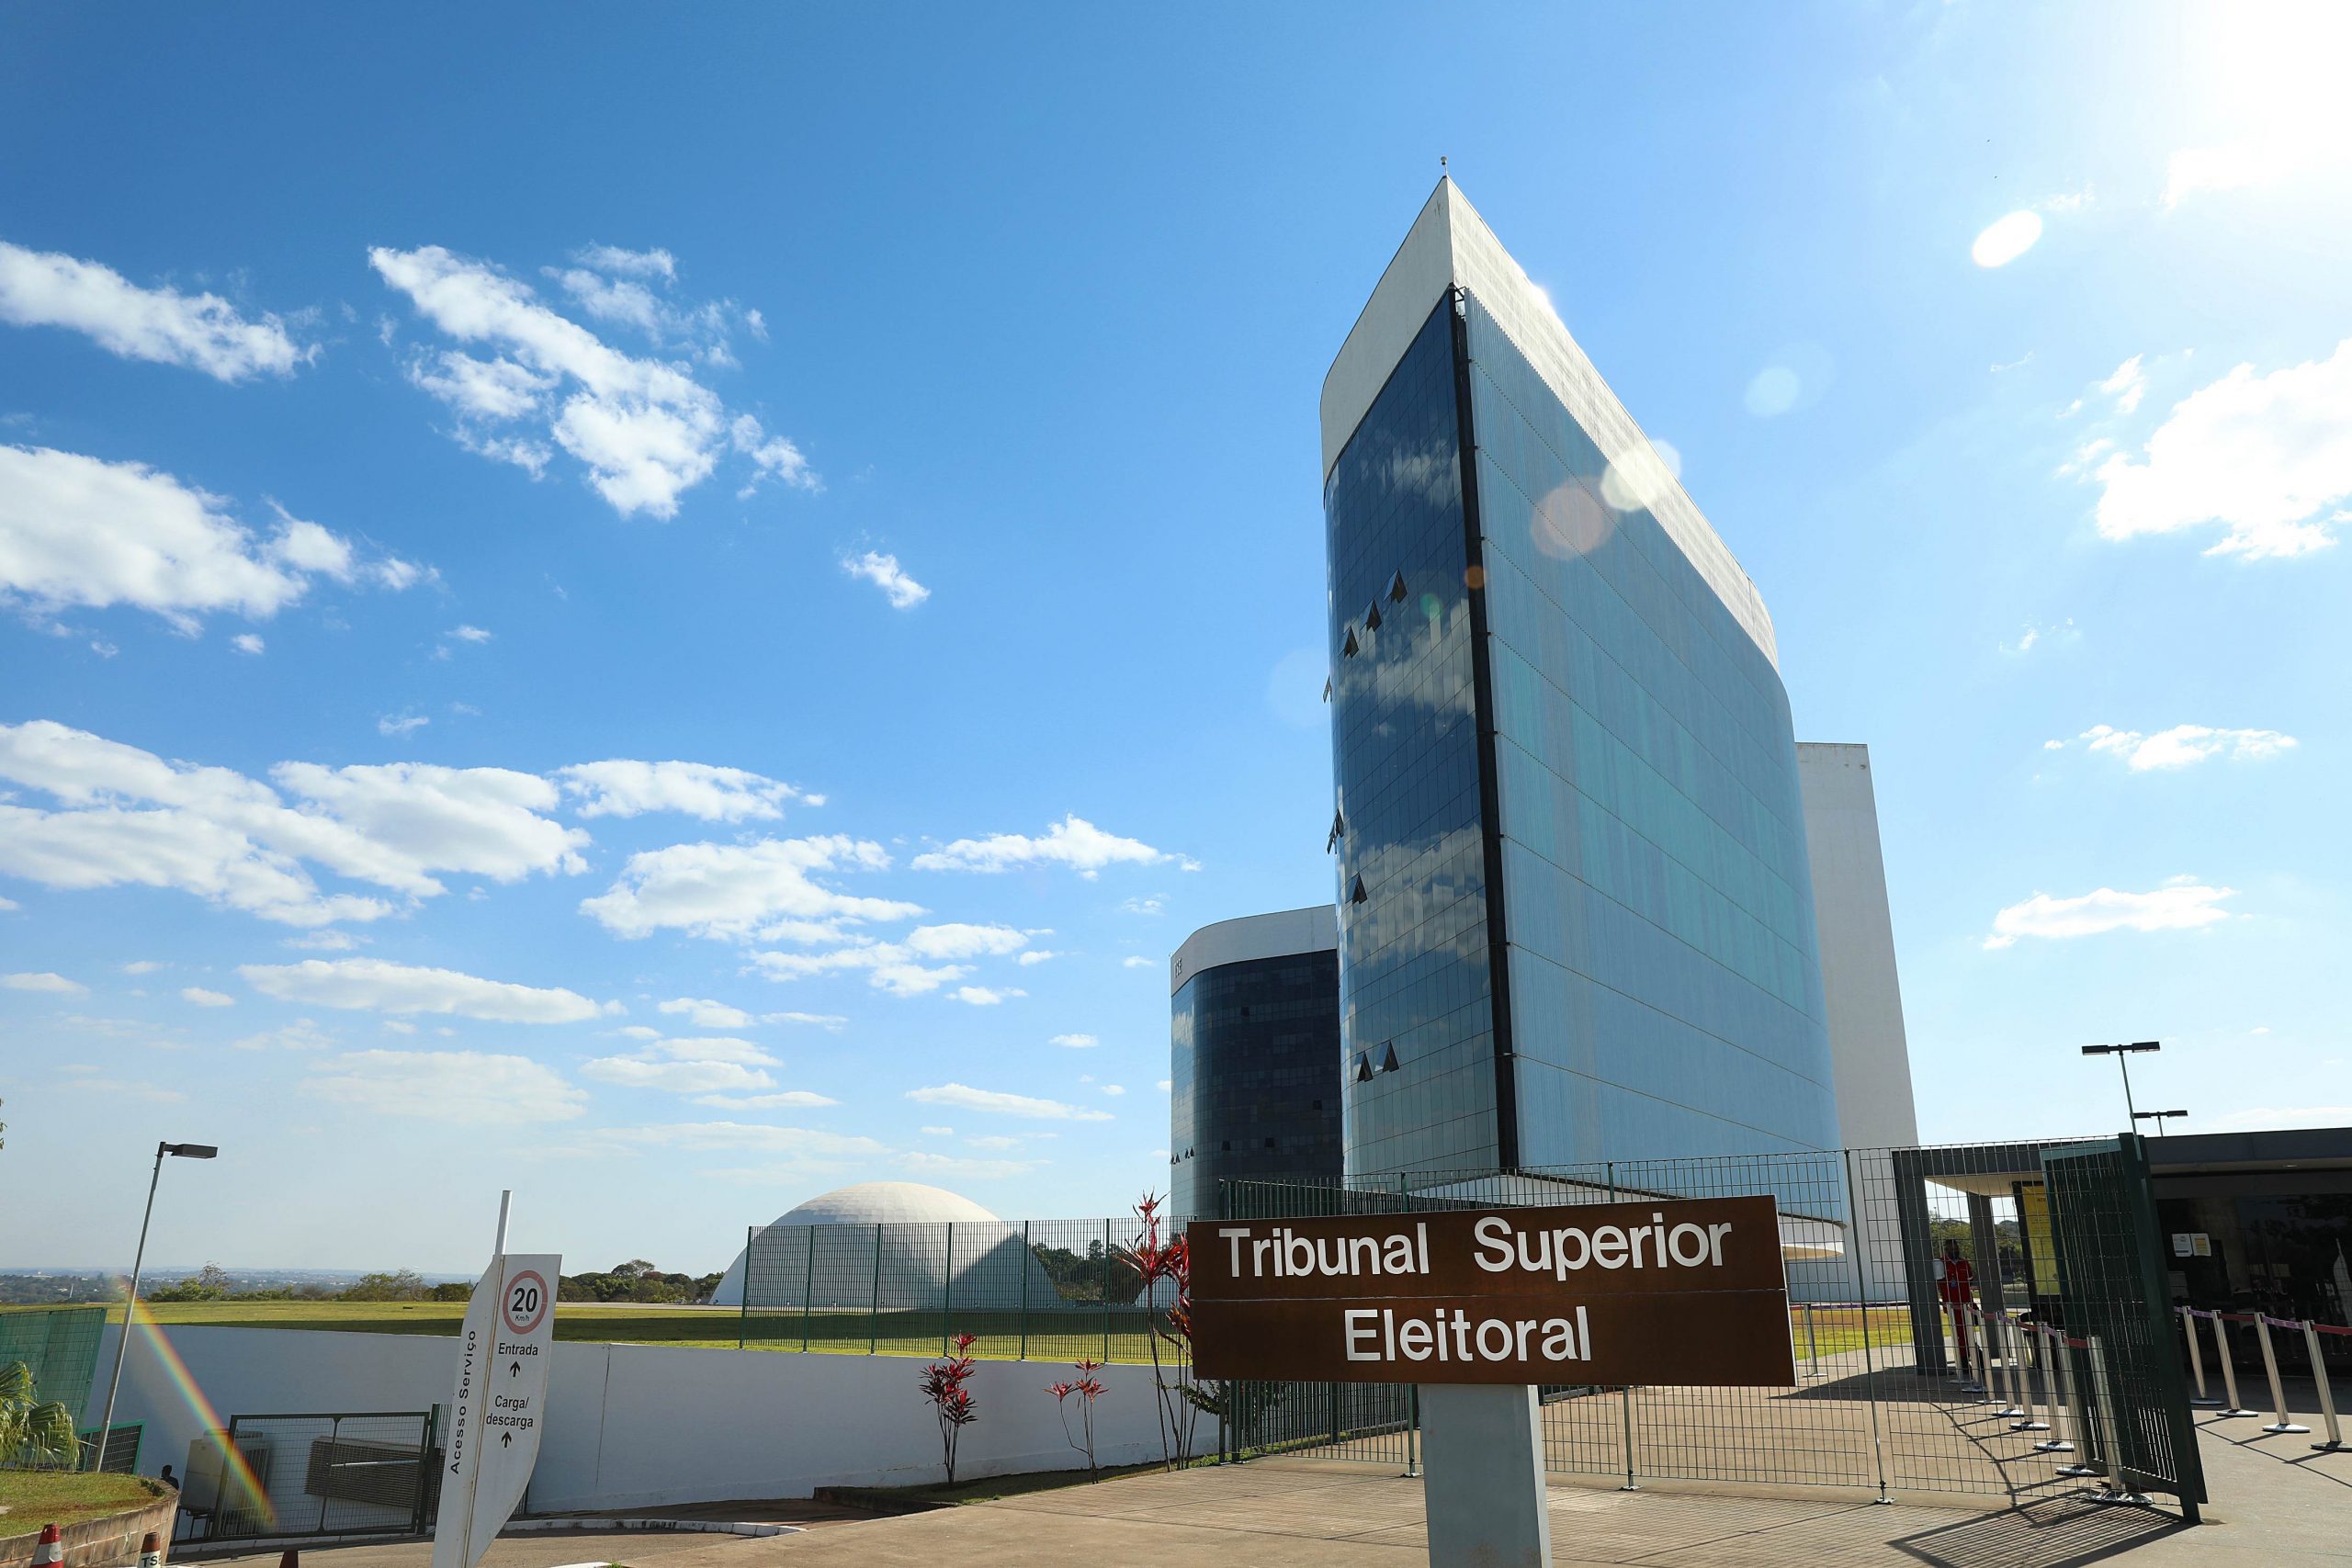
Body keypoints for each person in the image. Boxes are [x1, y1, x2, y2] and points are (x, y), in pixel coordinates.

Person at [1936, 1239, 1976, 1375]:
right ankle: (1963, 1361)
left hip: (1967, 1303)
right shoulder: (1940, 1264)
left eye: (1956, 1249)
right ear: (1946, 1250)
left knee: (1968, 1332)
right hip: (1952, 1305)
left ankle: (1973, 1357)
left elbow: (1970, 1280)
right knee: (1959, 1334)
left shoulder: (1964, 1263)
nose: (1954, 1251)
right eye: (1951, 1249)